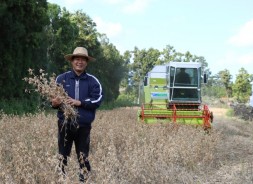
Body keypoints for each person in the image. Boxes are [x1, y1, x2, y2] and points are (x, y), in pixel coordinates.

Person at [51, 47, 103, 182]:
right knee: (62, 155)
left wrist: (79, 102)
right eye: (77, 59)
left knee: (83, 156)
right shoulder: (61, 78)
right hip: (65, 124)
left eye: (83, 60)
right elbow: (52, 100)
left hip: (83, 126)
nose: (79, 62)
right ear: (72, 61)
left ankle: (84, 180)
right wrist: (54, 103)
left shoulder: (93, 81)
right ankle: (61, 180)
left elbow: (97, 99)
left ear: (87, 62)